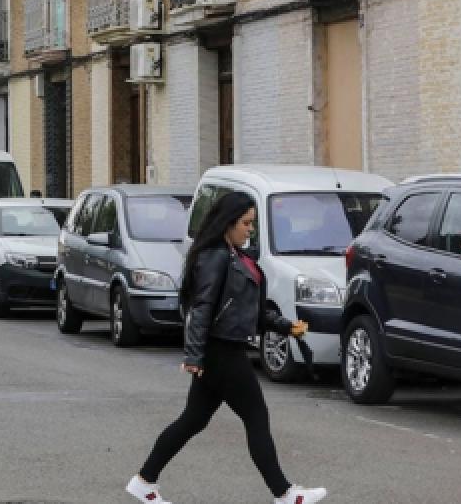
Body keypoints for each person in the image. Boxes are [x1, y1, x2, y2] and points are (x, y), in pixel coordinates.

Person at [125, 191, 327, 504]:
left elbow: (253, 312)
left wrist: (287, 327)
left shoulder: (238, 257)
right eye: (245, 223)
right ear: (227, 224)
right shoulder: (216, 257)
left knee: (193, 420)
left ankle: (144, 480)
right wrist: (194, 355)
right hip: (221, 351)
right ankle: (285, 494)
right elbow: (202, 307)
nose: (250, 229)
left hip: (221, 350)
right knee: (256, 417)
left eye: (252, 223)